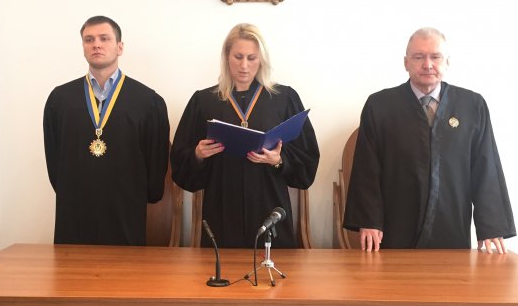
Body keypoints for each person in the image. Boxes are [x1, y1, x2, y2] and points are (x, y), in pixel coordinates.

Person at [343, 27, 515, 253]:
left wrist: (491, 226)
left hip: (452, 224)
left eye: (435, 56)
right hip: (394, 227)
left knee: (451, 274)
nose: (427, 64)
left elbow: (486, 167)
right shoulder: (380, 106)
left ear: (447, 62)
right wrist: (370, 220)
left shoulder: (472, 106)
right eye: (418, 57)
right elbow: (367, 169)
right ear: (406, 62)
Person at [171, 23, 319, 248]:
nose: (244, 65)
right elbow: (181, 164)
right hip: (222, 208)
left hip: (269, 205)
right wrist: (198, 155)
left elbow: (307, 159)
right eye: (238, 57)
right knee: (222, 267)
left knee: (271, 268)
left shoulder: (284, 98)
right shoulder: (204, 101)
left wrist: (279, 160)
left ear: (261, 59)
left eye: (252, 58)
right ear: (226, 56)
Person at [43, 15, 169, 245]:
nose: (96, 45)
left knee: (124, 267)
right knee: (72, 268)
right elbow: (54, 160)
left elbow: (155, 160)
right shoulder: (60, 100)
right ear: (83, 47)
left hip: (126, 213)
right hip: (74, 213)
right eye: (89, 39)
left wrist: (145, 194)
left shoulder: (147, 101)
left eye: (104, 38)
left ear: (120, 47)